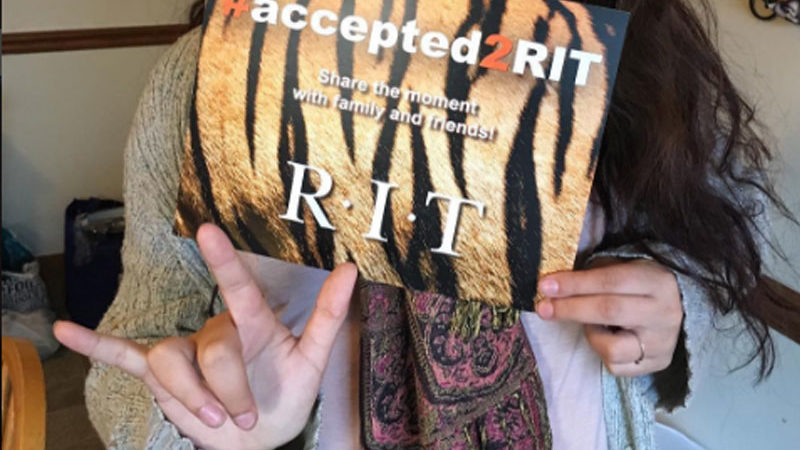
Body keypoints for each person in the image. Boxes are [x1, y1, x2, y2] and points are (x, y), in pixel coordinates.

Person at [53, 0, 792, 449]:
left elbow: (713, 240)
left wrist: (669, 312)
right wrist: (215, 420)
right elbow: (139, 339)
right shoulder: (210, 75)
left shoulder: (624, 54)